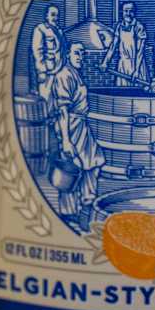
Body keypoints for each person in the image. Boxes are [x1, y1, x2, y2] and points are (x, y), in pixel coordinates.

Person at [46, 40, 106, 219]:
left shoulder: (75, 74)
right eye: (77, 53)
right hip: (70, 126)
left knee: (94, 162)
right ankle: (69, 211)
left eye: (83, 54)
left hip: (81, 125)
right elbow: (62, 111)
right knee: (71, 168)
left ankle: (87, 202)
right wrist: (66, 140)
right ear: (67, 55)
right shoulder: (64, 76)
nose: (81, 57)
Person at [28, 3, 64, 97]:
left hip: (58, 70)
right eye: (53, 15)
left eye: (57, 15)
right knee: (45, 96)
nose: (56, 18)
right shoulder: (40, 29)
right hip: (47, 70)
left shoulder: (59, 31)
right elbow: (37, 51)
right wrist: (41, 71)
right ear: (46, 16)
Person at [113, 2, 151, 85]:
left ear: (134, 12)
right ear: (122, 12)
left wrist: (136, 71)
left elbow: (140, 51)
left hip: (136, 65)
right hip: (123, 65)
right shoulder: (119, 27)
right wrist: (105, 62)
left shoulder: (139, 27)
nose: (128, 14)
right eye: (126, 11)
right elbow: (113, 46)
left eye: (131, 11)